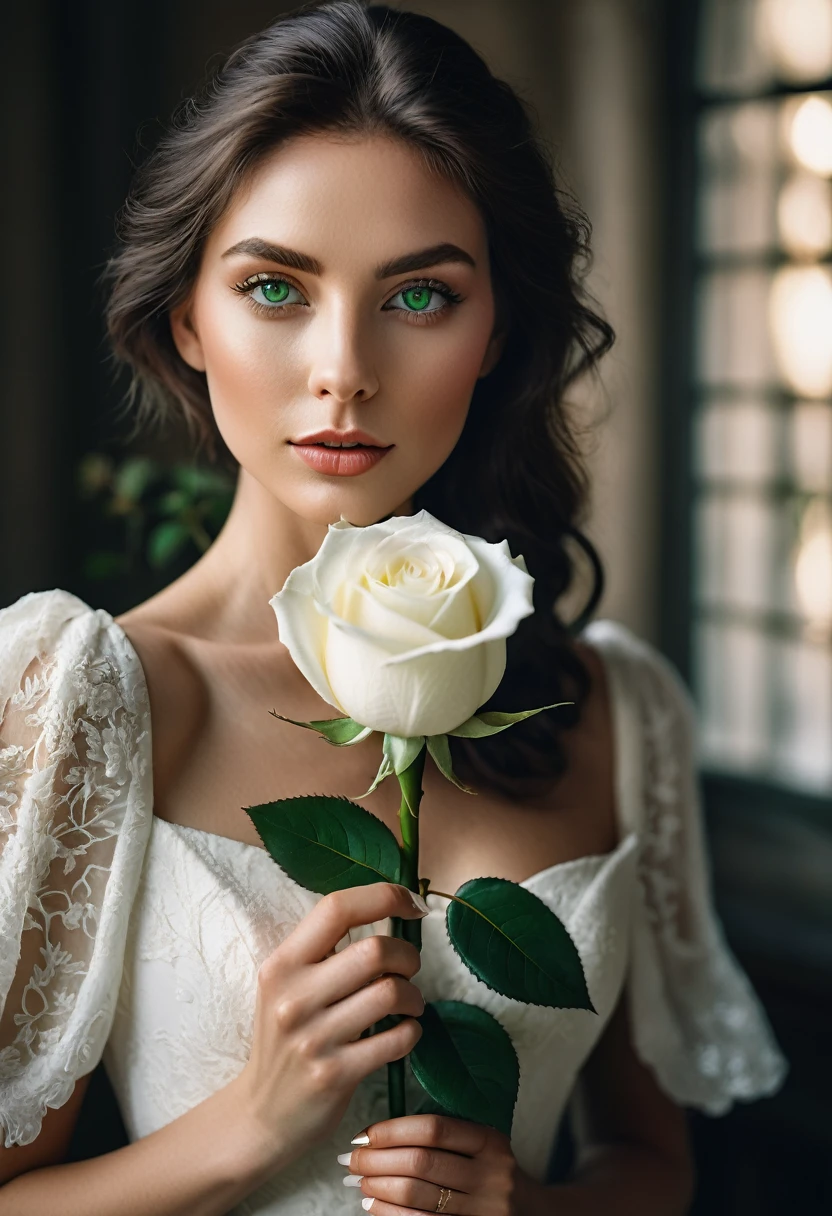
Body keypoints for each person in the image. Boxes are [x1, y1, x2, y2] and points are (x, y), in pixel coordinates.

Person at [0, 1, 787, 1212]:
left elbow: (650, 1164)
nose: (343, 367)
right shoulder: (86, 695)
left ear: (495, 334)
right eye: (275, 288)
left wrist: (530, 1207)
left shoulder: (617, 710)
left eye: (418, 298)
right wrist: (243, 1130)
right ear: (185, 322)